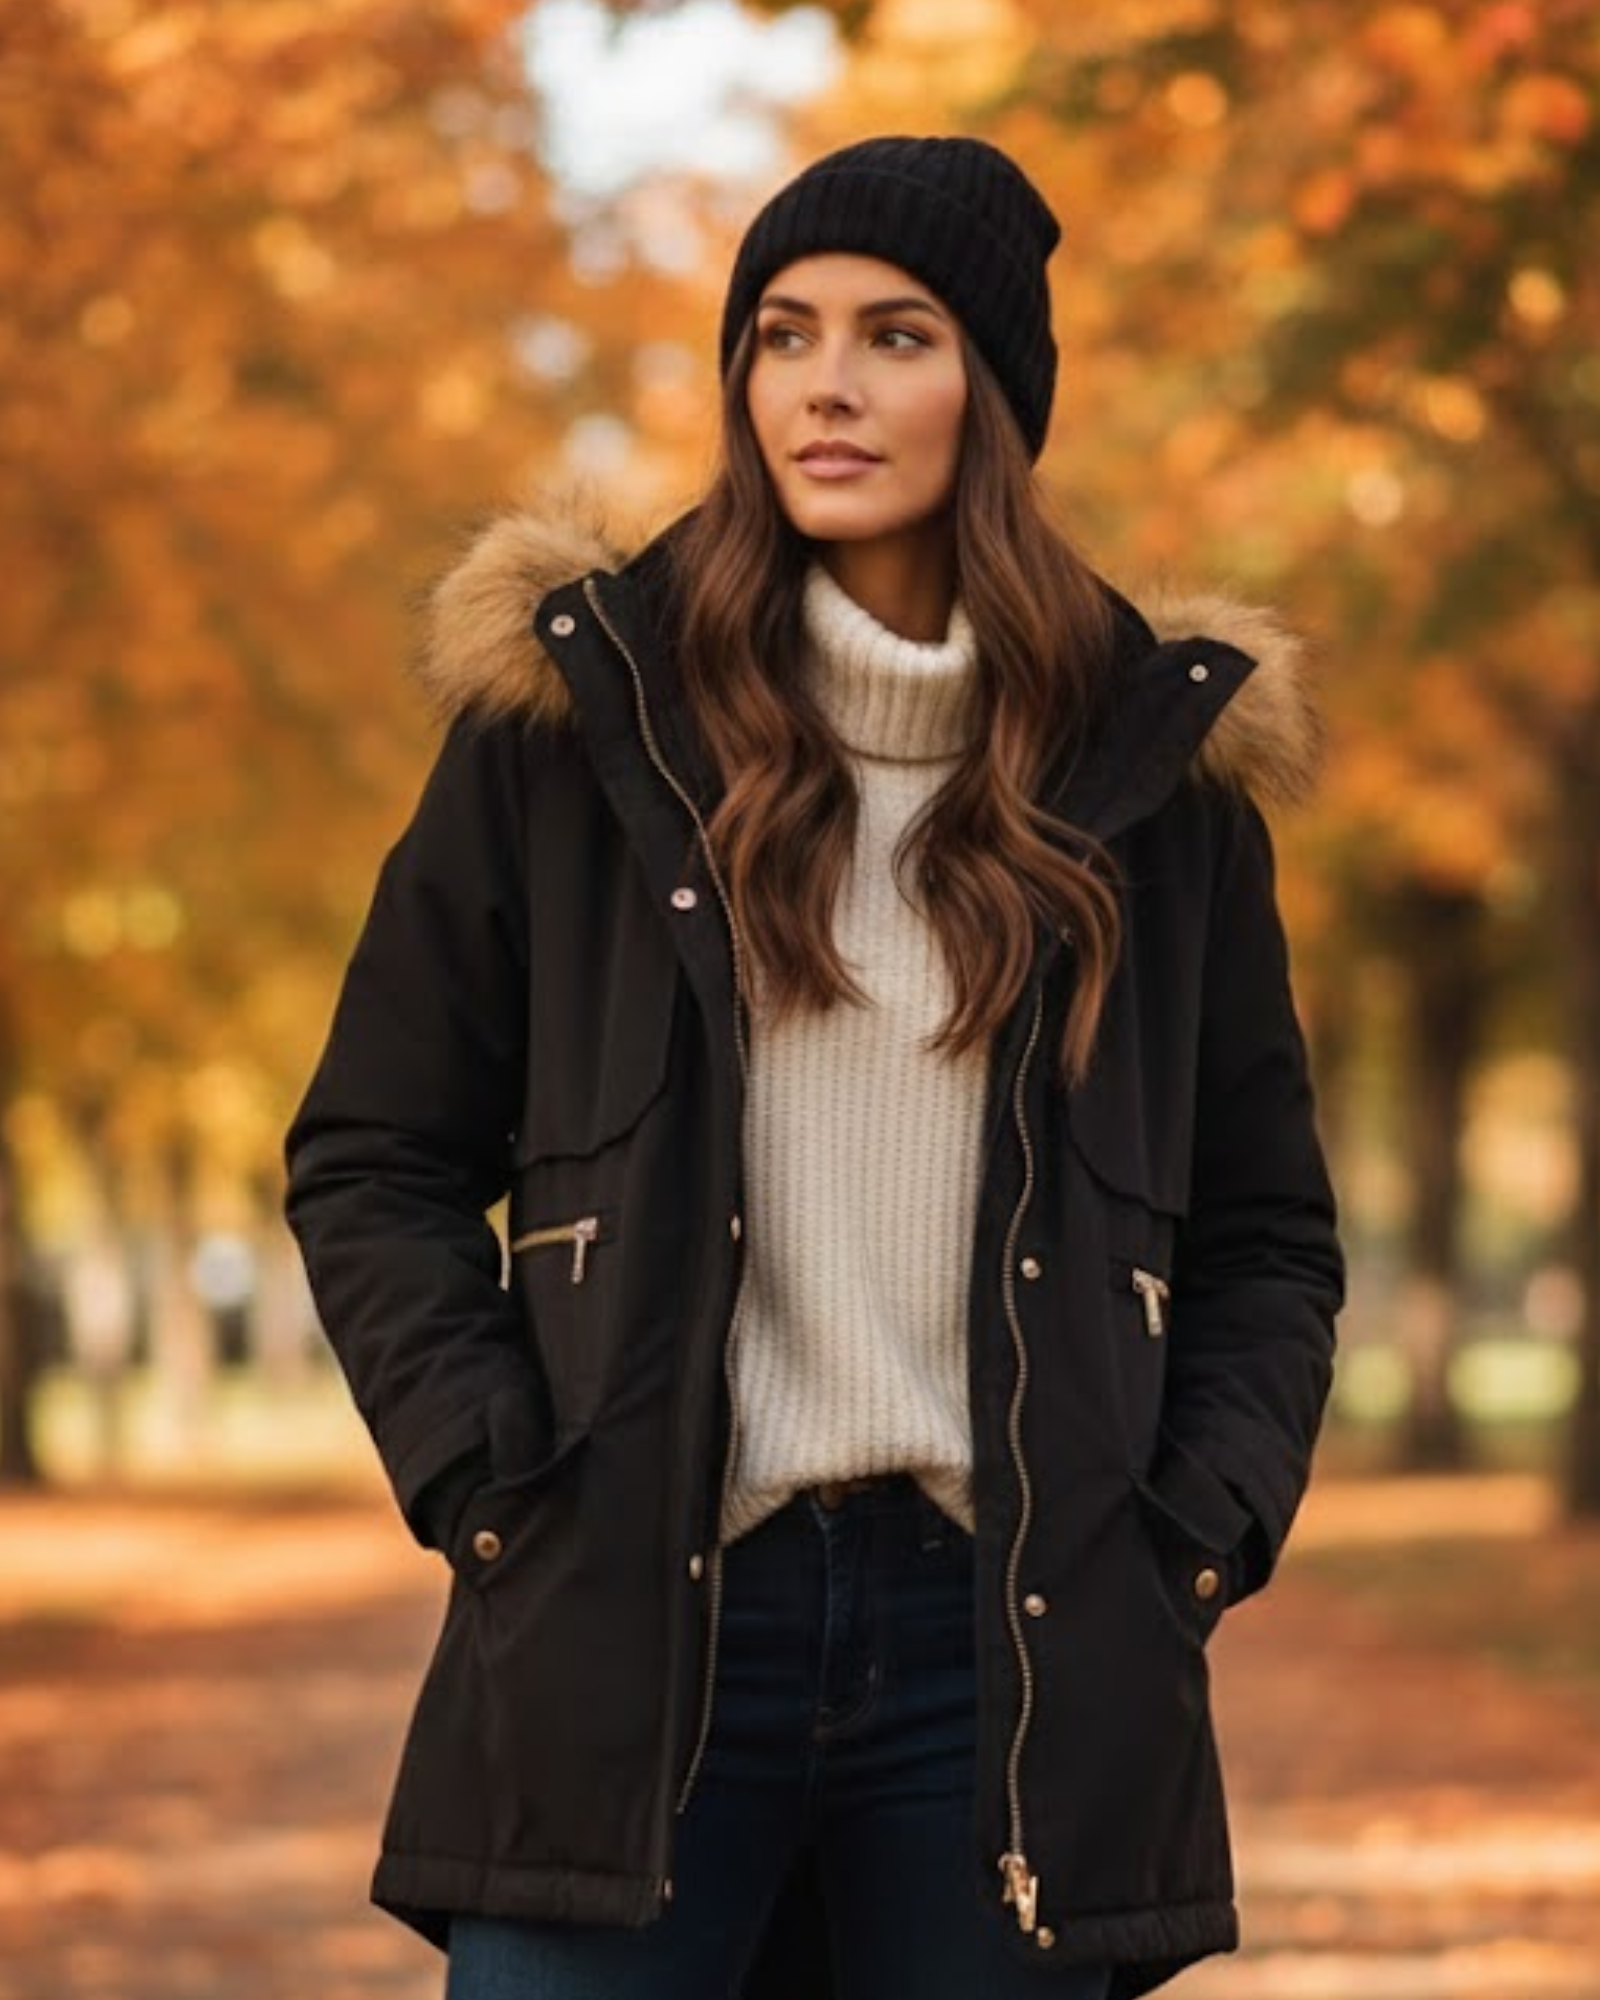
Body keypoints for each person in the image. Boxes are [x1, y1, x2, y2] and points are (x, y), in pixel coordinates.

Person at [284, 135, 1343, 2000]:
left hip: (999, 1652)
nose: (826, 384)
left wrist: (1188, 1539)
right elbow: (374, 1153)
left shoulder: (1156, 790)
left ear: (994, 395)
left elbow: (1270, 1234)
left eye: (896, 334)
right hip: (635, 1622)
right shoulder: (573, 732)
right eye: (781, 334)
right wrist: (493, 1482)